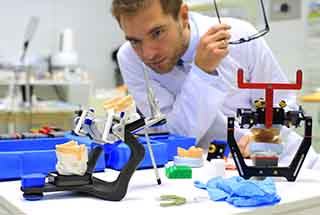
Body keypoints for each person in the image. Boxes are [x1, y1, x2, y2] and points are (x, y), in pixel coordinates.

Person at [111, 0, 320, 169]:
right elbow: (175, 138)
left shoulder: (238, 35)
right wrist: (203, 73)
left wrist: (264, 136)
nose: (148, 54)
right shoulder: (130, 58)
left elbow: (282, 106)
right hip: (213, 172)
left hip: (288, 164)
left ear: (183, 16)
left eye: (157, 33)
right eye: (135, 41)